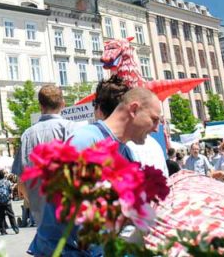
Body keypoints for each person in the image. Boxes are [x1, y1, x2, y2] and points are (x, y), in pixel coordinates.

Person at [29, 87, 162, 256]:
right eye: (154, 119)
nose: (156, 128)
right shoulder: (85, 141)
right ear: (134, 110)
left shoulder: (127, 153)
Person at [11, 84, 73, 226]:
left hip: (43, 216)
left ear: (40, 106)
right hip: (70, 213)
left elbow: (21, 183)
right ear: (63, 104)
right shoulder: (72, 128)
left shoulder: (27, 135)